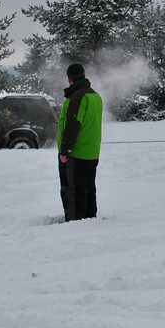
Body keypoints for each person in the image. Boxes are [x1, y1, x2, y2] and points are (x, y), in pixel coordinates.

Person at [57, 63, 103, 221]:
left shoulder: (77, 97)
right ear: (84, 76)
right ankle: (90, 220)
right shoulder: (95, 96)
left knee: (74, 191)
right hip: (92, 152)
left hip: (77, 153)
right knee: (88, 189)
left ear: (69, 79)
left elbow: (72, 125)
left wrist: (65, 151)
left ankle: (75, 224)